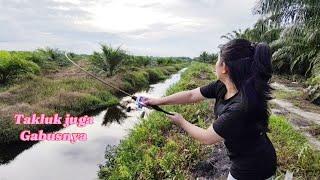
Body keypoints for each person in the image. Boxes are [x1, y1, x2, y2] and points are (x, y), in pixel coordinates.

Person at [142, 39, 277, 180]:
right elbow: (191, 95)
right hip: (247, 157)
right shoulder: (223, 86)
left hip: (253, 167)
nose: (215, 64)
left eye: (218, 60)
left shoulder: (240, 107)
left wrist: (181, 122)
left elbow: (207, 138)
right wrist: (158, 101)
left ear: (224, 67)